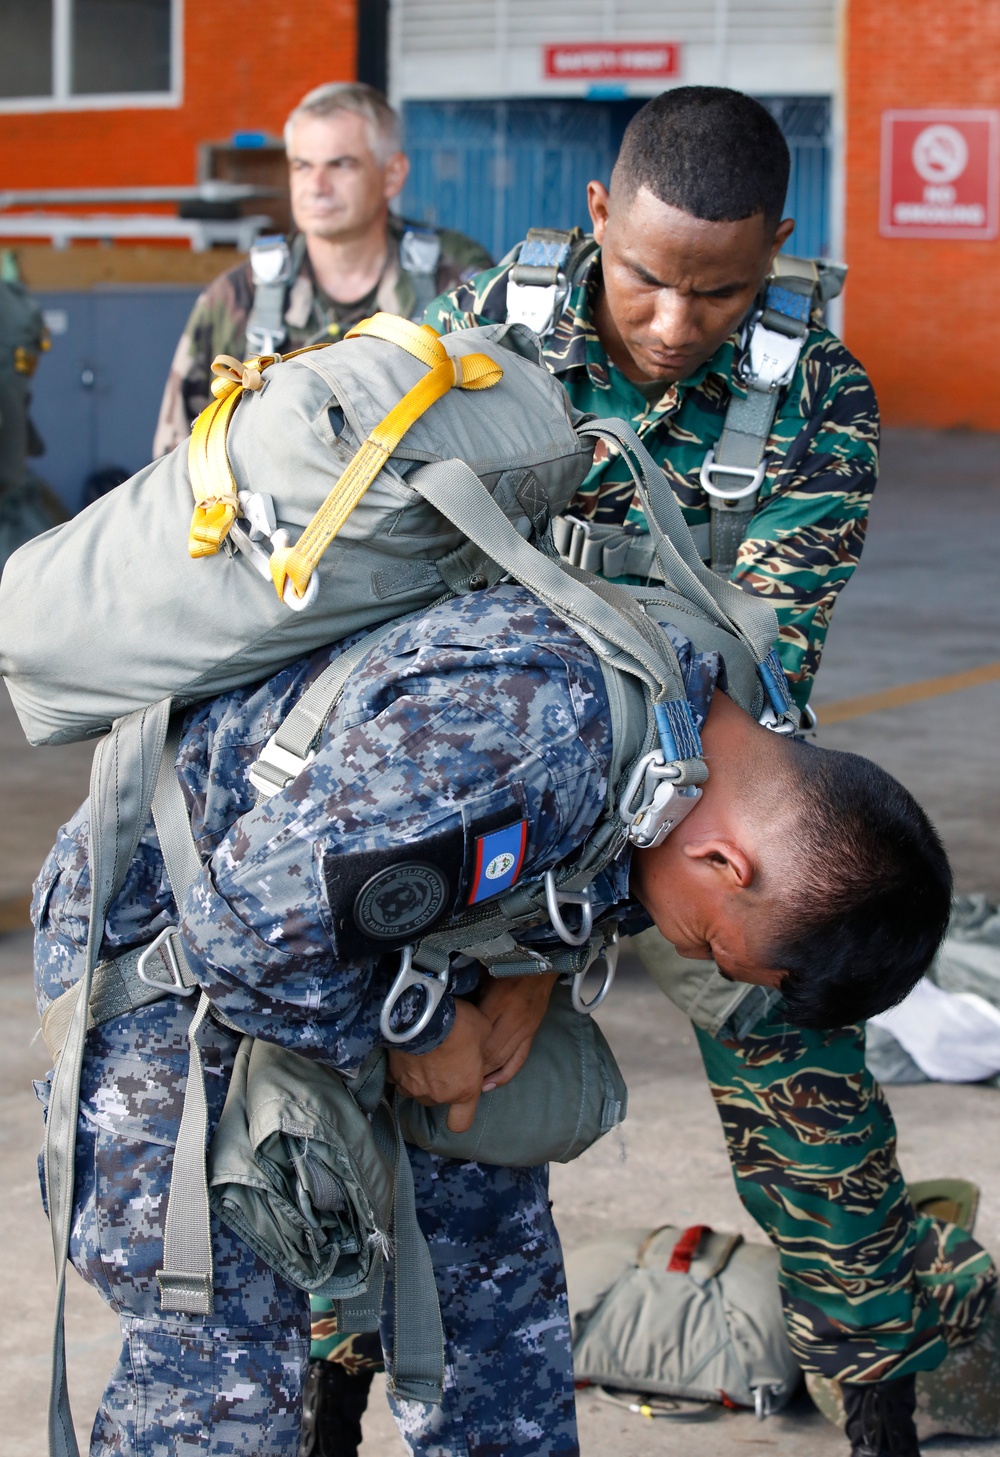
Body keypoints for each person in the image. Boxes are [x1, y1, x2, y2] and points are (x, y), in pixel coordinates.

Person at [33, 583, 960, 1457]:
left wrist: (528, 977)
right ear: (727, 861)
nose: (693, 956)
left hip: (360, 944)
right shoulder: (525, 739)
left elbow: (531, 868)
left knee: (497, 1307)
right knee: (223, 1364)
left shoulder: (711, 738)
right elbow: (241, 928)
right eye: (717, 945)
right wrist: (428, 1034)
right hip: (161, 953)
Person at [425, 88, 993, 1455]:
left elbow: (752, 656)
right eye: (646, 281)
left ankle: (884, 1405)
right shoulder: (481, 336)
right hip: (485, 791)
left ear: (780, 246)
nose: (676, 327)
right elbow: (413, 596)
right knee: (382, 1055)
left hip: (693, 810)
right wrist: (505, 945)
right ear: (597, 218)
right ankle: (342, 1378)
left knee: (807, 1088)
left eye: (722, 292)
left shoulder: (816, 397)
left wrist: (547, 948)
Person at [152, 82, 491, 457]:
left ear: (392, 175)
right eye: (302, 166)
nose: (316, 186)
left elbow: (504, 434)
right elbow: (176, 459)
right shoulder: (238, 297)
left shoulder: (459, 282)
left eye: (340, 164)